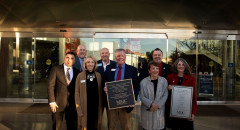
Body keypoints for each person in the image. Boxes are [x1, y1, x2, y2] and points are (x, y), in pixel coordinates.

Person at [104, 49, 140, 130]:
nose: (120, 57)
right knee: (112, 126)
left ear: (125, 57)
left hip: (126, 103)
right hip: (112, 103)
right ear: (115, 57)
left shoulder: (132, 69)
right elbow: (104, 81)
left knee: (126, 127)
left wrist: (134, 98)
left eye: (122, 55)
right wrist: (105, 88)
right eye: (118, 56)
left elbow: (136, 86)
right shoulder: (109, 68)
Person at [48, 52, 79, 130]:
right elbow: (50, 86)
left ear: (74, 61)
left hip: (72, 105)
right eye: (67, 58)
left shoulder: (77, 72)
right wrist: (52, 101)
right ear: (64, 58)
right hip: (57, 104)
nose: (69, 60)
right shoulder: (56, 69)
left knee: (72, 126)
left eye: (72, 58)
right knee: (56, 126)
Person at [166, 58, 197, 130]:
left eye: (183, 64)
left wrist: (193, 113)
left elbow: (194, 97)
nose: (181, 66)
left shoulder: (191, 79)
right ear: (176, 66)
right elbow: (165, 93)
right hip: (173, 111)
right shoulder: (170, 77)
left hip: (186, 111)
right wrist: (168, 88)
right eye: (179, 64)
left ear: (185, 66)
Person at [75, 56, 102, 130]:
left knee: (95, 125)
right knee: (85, 126)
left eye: (92, 62)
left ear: (95, 64)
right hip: (85, 107)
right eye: (88, 62)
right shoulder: (80, 76)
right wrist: (79, 109)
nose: (90, 64)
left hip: (96, 107)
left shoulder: (98, 76)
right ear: (85, 64)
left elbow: (101, 91)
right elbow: (77, 92)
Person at [140, 61, 168, 130]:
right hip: (147, 111)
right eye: (153, 68)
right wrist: (151, 104)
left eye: (157, 68)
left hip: (159, 111)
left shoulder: (164, 81)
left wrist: (157, 106)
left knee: (159, 127)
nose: (155, 70)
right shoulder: (143, 82)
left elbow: (165, 94)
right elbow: (141, 96)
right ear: (149, 71)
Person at [96, 48, 116, 123]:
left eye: (106, 53)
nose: (104, 55)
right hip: (99, 95)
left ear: (109, 54)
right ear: (100, 55)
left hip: (111, 96)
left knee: (111, 120)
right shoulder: (96, 64)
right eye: (102, 53)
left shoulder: (115, 64)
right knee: (98, 120)